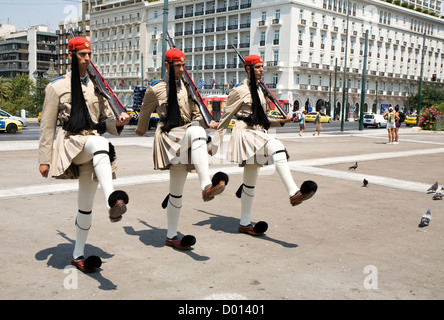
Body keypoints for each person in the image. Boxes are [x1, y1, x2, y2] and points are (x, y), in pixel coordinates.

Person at [38, 37, 131, 272]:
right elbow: (47, 126)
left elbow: (105, 121)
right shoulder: (56, 87)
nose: (87, 58)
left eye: (89, 54)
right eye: (82, 54)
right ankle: (112, 198)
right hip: (73, 144)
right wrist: (44, 159)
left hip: (94, 149)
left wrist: (119, 122)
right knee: (100, 143)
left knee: (85, 205)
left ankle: (78, 255)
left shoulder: (97, 86)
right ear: (71, 56)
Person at [135, 48, 228, 250]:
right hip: (169, 136)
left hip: (184, 137)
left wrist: (207, 123)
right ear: (167, 66)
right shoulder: (155, 88)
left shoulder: (186, 87)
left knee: (176, 192)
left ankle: (171, 235)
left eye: (183, 65)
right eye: (177, 66)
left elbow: (196, 113)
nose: (181, 69)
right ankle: (206, 186)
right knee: (196, 133)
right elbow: (144, 111)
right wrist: (141, 129)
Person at [216, 55, 317, 236]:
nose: (261, 70)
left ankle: (245, 223)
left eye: (262, 67)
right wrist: (216, 143)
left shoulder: (262, 91)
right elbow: (225, 117)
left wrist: (282, 121)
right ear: (248, 69)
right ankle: (293, 192)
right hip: (245, 133)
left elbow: (263, 118)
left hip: (258, 132)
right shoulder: (239, 90)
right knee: (276, 145)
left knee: (250, 182)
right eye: (257, 67)